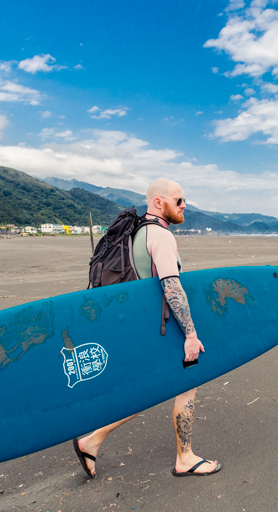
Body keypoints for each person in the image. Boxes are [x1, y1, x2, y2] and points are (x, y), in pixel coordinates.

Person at [72, 178, 221, 478]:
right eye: (178, 200)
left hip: (137, 328)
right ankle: (185, 458)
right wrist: (191, 335)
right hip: (160, 329)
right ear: (158, 202)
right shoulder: (161, 237)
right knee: (184, 382)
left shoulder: (137, 233)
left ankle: (92, 440)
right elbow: (171, 287)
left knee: (152, 388)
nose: (184, 206)